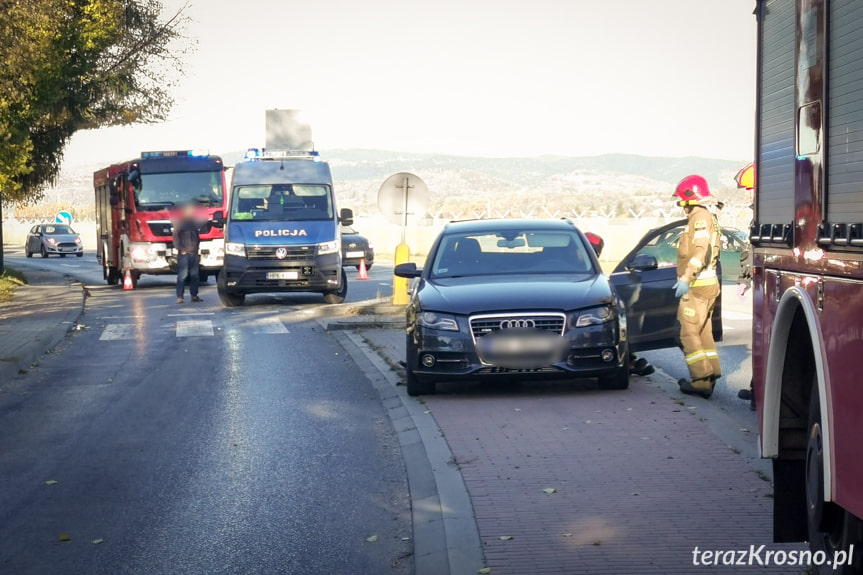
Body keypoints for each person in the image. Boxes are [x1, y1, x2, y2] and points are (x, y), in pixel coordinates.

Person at [672, 175, 722, 398]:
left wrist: (686, 278)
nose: (680, 206)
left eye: (681, 201)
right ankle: (711, 372)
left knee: (689, 332)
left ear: (689, 199)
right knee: (703, 331)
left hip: (697, 285)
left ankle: (701, 380)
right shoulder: (706, 216)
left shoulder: (699, 218)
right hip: (709, 284)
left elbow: (700, 250)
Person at [736, 189, 756, 409]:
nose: (748, 195)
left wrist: (744, 279)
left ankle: (757, 393)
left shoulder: (763, 213)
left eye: (750, 190)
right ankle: (756, 390)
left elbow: (752, 250)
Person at [173, 204, 205, 304]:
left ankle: (194, 295)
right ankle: (180, 297)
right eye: (190, 211)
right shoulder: (180, 224)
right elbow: (176, 239)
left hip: (194, 254)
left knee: (195, 276)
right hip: (184, 255)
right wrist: (181, 249)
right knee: (182, 276)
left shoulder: (194, 224)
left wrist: (197, 248)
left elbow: (197, 237)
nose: (192, 213)